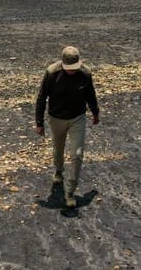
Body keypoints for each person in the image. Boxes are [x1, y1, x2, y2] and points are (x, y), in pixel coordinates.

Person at [35, 46, 100, 208]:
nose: (72, 72)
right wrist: (39, 123)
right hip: (56, 119)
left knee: (77, 154)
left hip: (78, 118)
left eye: (74, 69)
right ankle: (58, 171)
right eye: (68, 69)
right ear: (62, 63)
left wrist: (95, 113)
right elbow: (42, 98)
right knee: (58, 149)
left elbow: (90, 94)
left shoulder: (85, 73)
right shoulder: (51, 73)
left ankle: (70, 192)